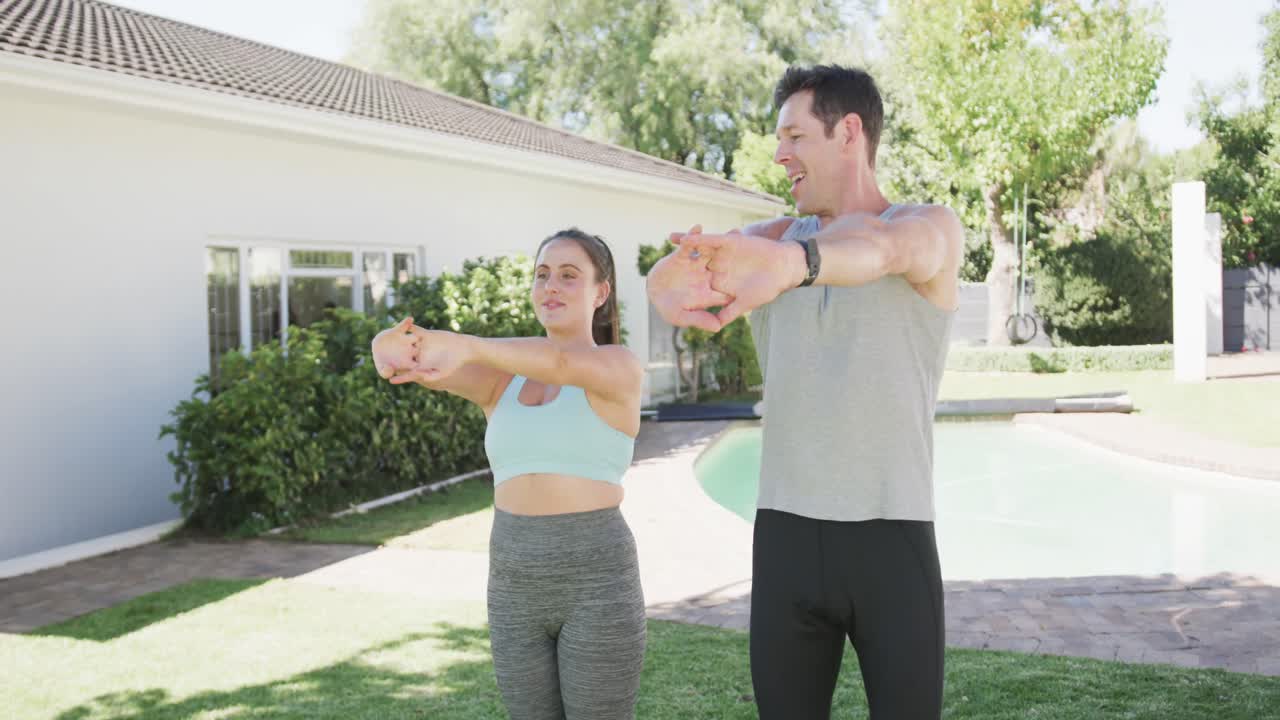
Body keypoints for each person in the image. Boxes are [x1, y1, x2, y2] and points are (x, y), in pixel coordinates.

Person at [648, 65, 965, 719]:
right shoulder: (768, 240)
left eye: (794, 135)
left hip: (892, 538)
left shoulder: (927, 226)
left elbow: (882, 250)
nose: (779, 153)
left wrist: (796, 266)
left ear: (849, 132)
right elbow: (669, 282)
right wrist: (674, 274)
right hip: (787, 538)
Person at [371, 228, 646, 720]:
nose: (551, 287)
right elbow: (416, 358)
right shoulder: (501, 381)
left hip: (596, 580)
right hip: (513, 581)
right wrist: (387, 345)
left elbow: (562, 361)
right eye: (542, 275)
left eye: (568, 275)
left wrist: (467, 342)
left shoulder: (618, 366)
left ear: (600, 293)